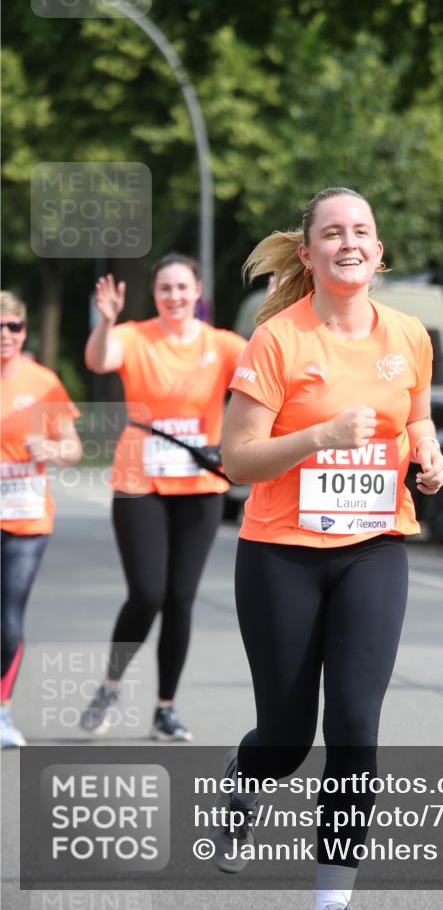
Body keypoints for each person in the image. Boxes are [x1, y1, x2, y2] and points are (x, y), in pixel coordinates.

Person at [216, 187, 443, 910]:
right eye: (333, 232)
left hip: (373, 547)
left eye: (361, 232)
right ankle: (244, 779)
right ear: (309, 253)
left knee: (353, 725)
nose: (348, 242)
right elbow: (237, 460)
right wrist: (319, 436)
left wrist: (430, 454)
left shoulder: (408, 335)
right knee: (287, 739)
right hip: (281, 553)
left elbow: (417, 418)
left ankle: (331, 898)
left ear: (378, 252)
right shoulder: (278, 340)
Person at [79, 255, 246, 741]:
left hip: (200, 487)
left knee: (180, 599)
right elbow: (98, 360)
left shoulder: (221, 344)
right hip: (140, 482)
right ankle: (110, 685)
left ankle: (164, 709)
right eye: (165, 289)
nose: (174, 296)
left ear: (198, 291)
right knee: (147, 593)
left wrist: (280, 310)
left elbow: (271, 369)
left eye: (182, 287)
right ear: (154, 294)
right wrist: (106, 320)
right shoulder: (133, 336)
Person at [1, 290, 82, 747]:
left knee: (9, 615)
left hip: (27, 518)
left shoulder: (44, 382)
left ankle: (2, 710)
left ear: (24, 331)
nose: (5, 334)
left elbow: (73, 448)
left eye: (14, 326)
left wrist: (50, 447)